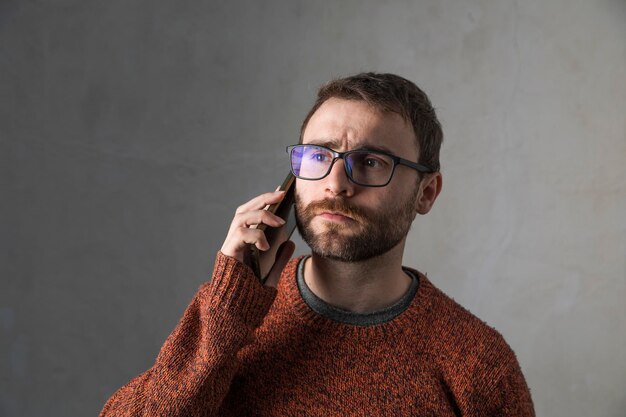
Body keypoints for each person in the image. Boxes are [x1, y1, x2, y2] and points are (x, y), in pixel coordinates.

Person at [99, 73, 535, 416]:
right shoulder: (233, 320)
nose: (334, 184)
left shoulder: (477, 362)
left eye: (370, 162)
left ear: (426, 193)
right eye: (318, 156)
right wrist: (227, 306)